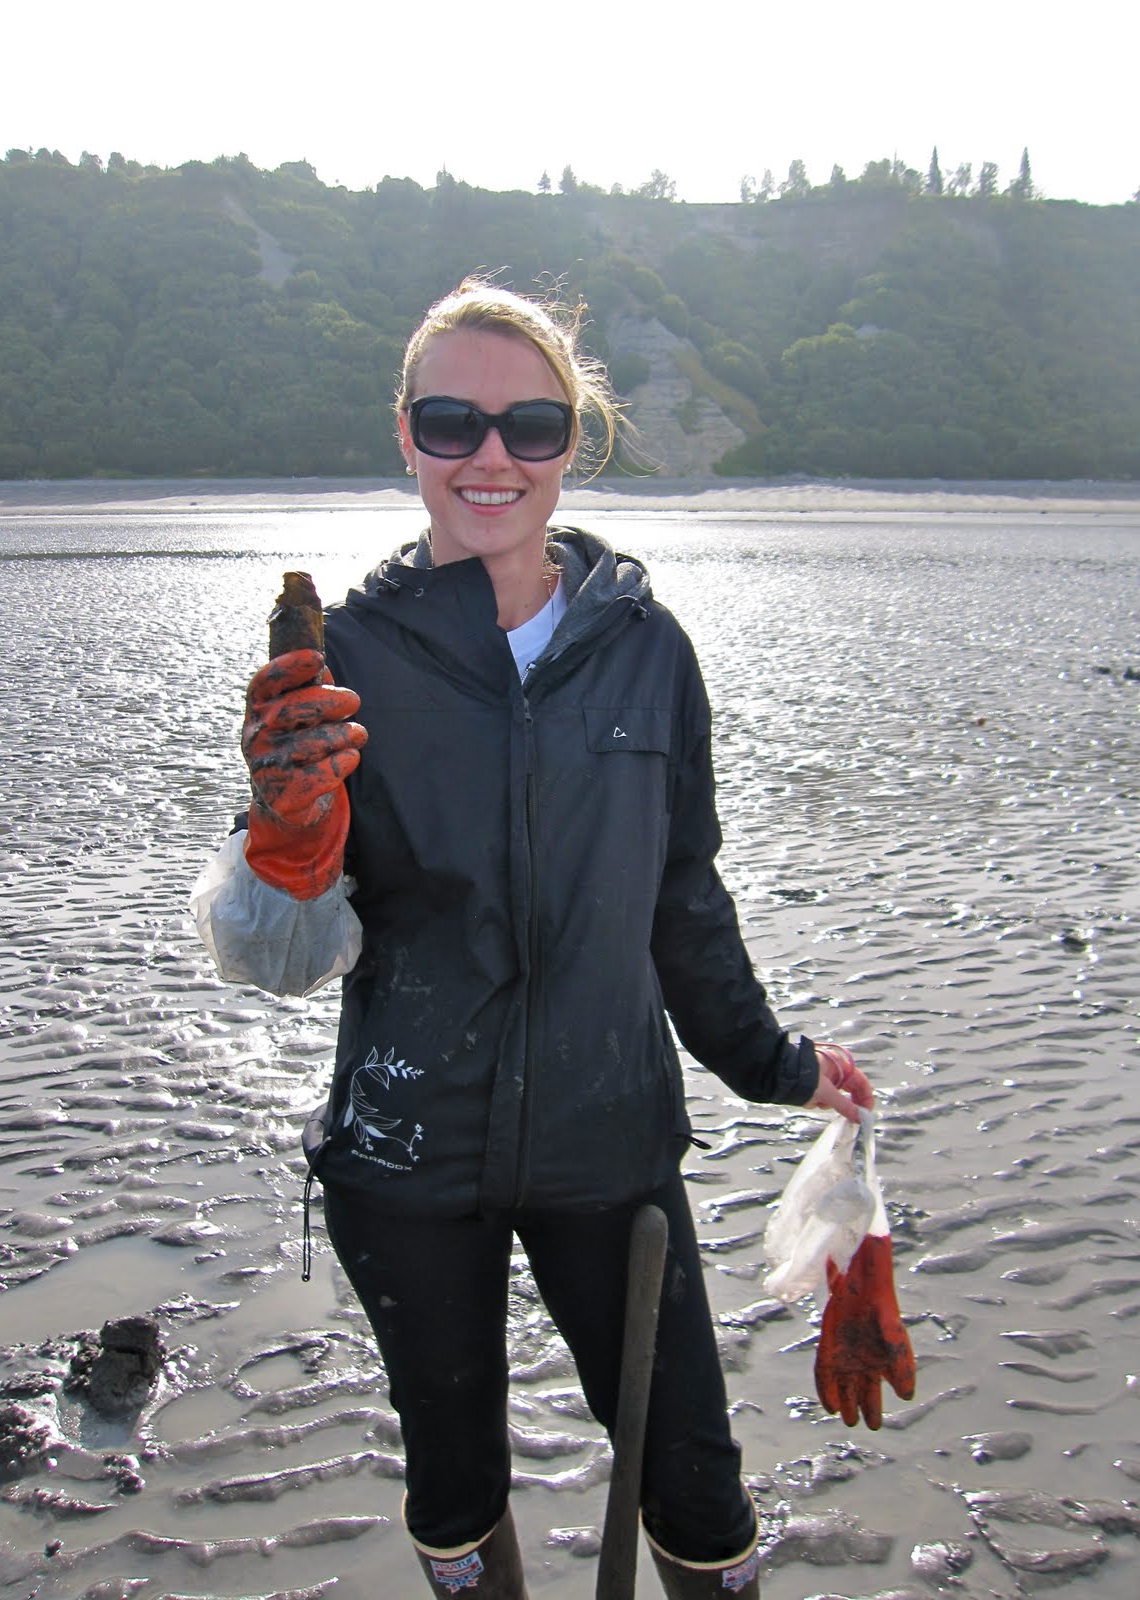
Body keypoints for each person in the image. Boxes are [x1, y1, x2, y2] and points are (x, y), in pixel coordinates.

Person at [209, 278, 889, 1599]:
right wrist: (279, 841)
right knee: (452, 1471)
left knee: (689, 1468)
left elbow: (682, 899)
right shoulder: (343, 657)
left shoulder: (650, 653)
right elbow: (285, 953)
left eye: (532, 425)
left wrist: (776, 1063)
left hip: (607, 1138)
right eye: (453, 420)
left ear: (576, 440)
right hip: (407, 1153)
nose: (491, 458)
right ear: (406, 434)